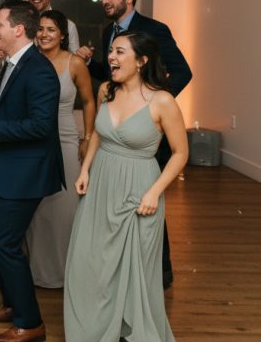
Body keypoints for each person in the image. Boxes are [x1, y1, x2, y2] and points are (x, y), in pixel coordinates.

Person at [64, 31, 188, 341]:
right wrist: (86, 170)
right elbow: (98, 136)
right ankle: (94, 326)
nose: (112, 58)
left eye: (120, 52)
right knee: (91, 261)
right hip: (100, 184)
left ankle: (130, 326)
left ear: (142, 60)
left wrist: (154, 192)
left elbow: (181, 153)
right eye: (111, 52)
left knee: (135, 269)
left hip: (139, 189)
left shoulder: (162, 101)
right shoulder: (107, 90)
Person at [76, 0, 192, 288]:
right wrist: (91, 64)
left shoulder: (154, 29)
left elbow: (183, 71)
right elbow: (113, 76)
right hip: (114, 137)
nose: (105, 1)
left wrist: (150, 106)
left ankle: (159, 273)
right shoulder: (108, 33)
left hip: (146, 139)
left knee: (146, 212)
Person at [0, 0, 62, 342]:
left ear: (18, 30)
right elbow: (8, 107)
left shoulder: (39, 69)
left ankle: (30, 322)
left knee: (4, 241)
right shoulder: (14, 63)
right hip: (4, 169)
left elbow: (40, 126)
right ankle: (13, 302)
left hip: (25, 173)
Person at [22, 10, 96, 289]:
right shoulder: (29, 61)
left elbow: (89, 102)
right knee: (37, 209)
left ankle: (68, 272)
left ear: (63, 35)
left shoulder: (75, 63)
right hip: (32, 140)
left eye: (51, 30)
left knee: (65, 209)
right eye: (40, 29)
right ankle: (38, 271)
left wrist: (87, 136)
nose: (44, 34)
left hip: (65, 139)